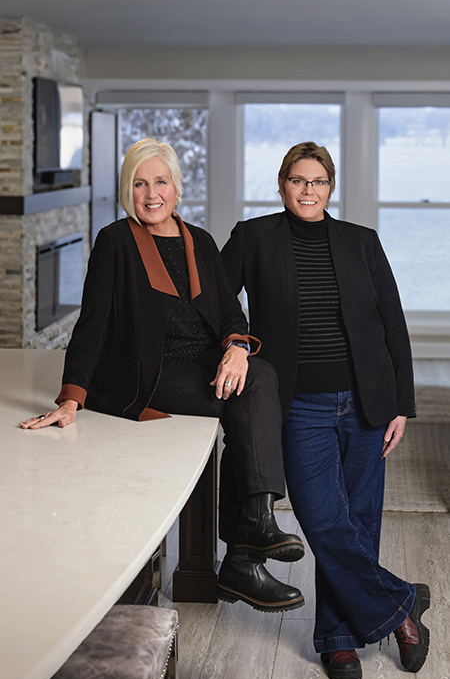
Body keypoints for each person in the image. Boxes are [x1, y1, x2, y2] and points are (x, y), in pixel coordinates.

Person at [20, 138, 305, 614]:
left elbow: (230, 313)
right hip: (149, 373)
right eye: (139, 183)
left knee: (258, 375)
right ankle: (246, 550)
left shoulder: (201, 241)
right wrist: (71, 397)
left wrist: (237, 349)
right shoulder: (115, 241)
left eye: (160, 182)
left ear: (177, 187)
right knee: (249, 403)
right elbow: (92, 323)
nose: (151, 194)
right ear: (126, 190)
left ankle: (253, 532)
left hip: (203, 359)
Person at [221, 141, 430, 679]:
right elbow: (217, 301)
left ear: (330, 188)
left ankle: (338, 639)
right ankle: (403, 605)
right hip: (299, 406)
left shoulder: (362, 241)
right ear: (282, 184)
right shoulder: (254, 237)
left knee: (359, 521)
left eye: (318, 181)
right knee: (324, 521)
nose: (308, 190)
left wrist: (401, 405)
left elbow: (393, 324)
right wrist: (236, 343)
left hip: (366, 402)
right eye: (298, 180)